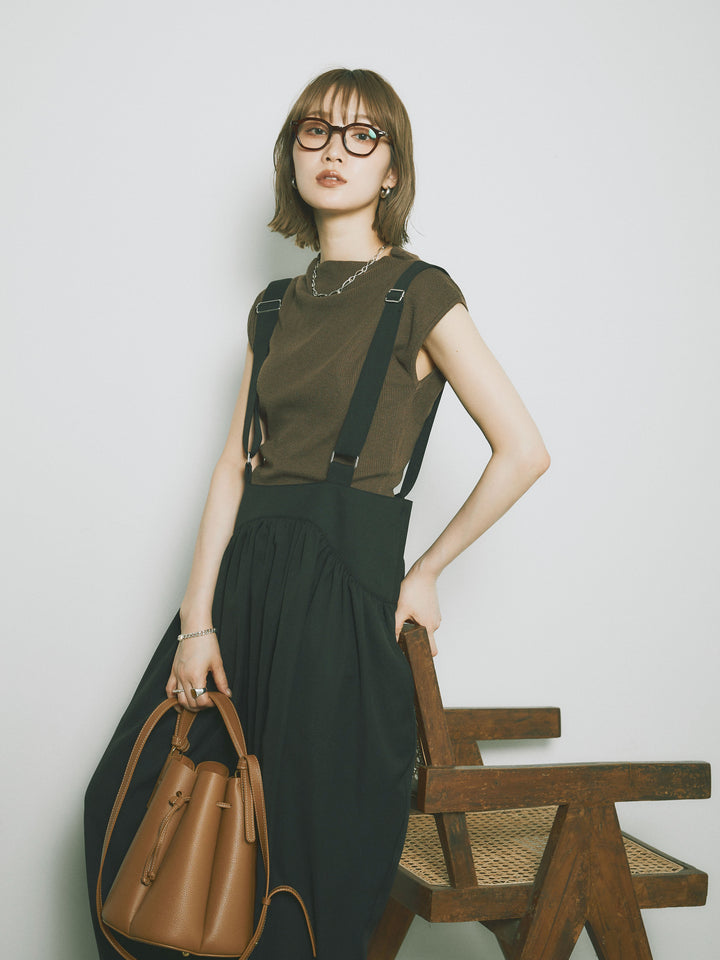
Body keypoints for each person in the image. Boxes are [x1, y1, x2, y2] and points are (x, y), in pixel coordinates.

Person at [84, 67, 550, 960]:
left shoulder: (419, 292)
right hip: (242, 592)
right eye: (315, 131)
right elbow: (234, 467)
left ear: (391, 169)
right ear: (291, 155)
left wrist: (426, 571)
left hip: (339, 604)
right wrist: (195, 621)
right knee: (131, 803)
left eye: (361, 135)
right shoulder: (272, 307)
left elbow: (523, 450)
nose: (334, 150)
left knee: (296, 860)